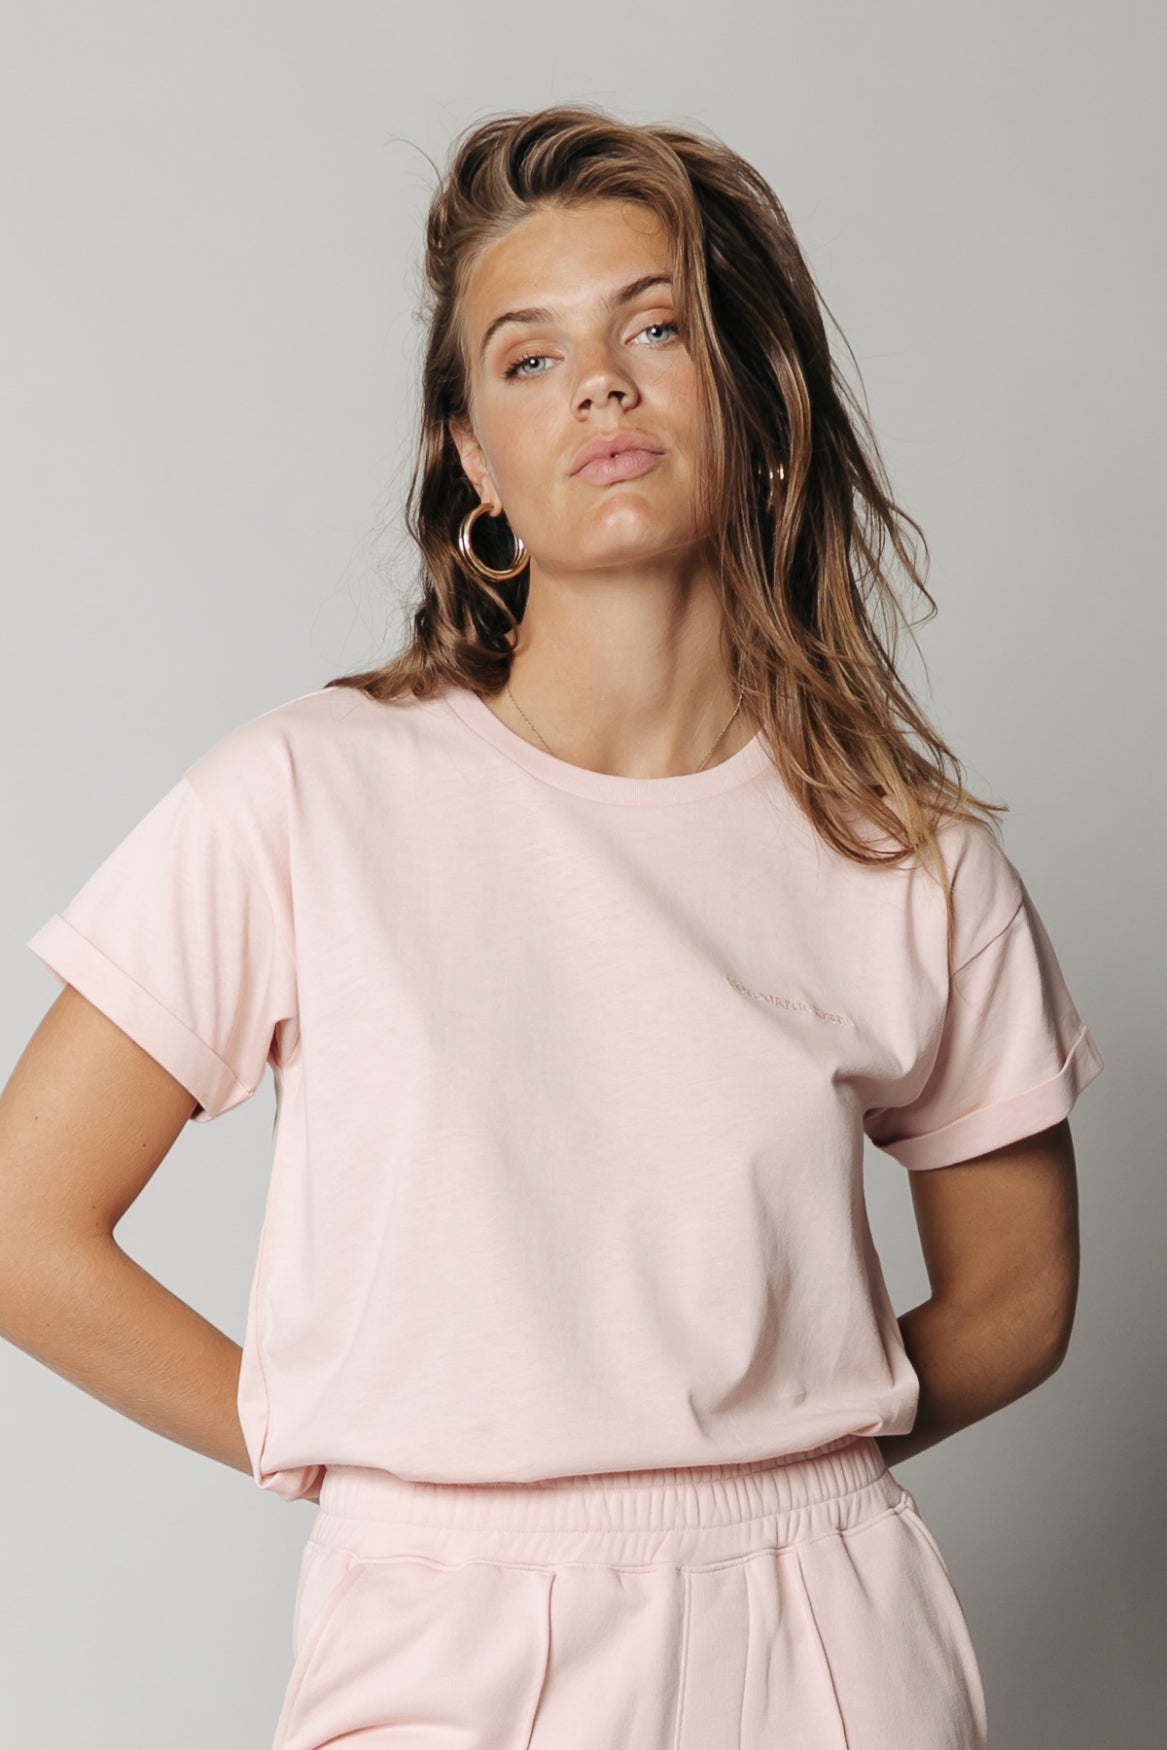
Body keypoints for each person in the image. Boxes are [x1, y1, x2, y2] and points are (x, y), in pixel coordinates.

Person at [0, 103, 1104, 1749]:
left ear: (757, 397)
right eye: (529, 357)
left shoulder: (908, 854)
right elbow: (22, 1223)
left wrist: (767, 1449)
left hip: (825, 1621)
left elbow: (1016, 1295)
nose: (599, 385)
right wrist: (357, 1444)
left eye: (655, 330)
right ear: (473, 459)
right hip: (443, 1613)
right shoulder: (305, 798)